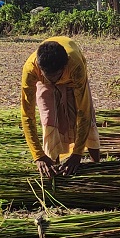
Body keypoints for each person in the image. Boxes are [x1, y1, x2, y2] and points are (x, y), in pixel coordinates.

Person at [20, 36, 102, 178]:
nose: (54, 81)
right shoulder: (31, 69)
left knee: (85, 116)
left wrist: (77, 155)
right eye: (49, 76)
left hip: (71, 80)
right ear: (40, 68)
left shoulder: (75, 66)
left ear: (64, 67)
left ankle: (98, 166)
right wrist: (38, 155)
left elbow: (84, 111)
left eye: (57, 76)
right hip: (43, 83)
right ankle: (53, 168)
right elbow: (27, 115)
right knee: (49, 120)